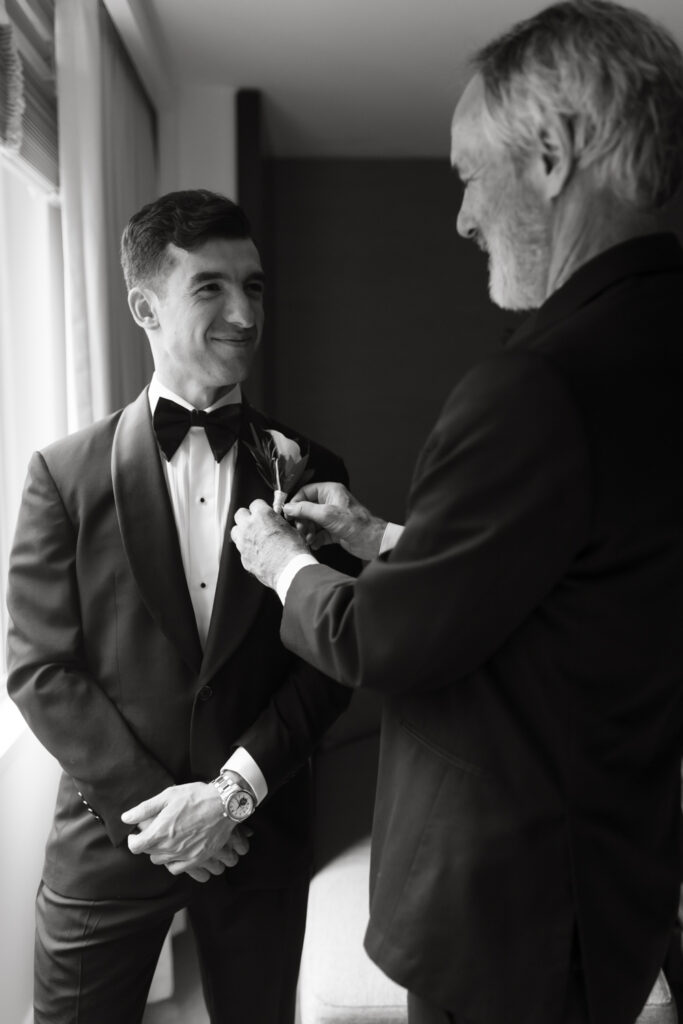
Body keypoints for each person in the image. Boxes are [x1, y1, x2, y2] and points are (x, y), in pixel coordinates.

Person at [230, 3, 683, 1023]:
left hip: (506, 918)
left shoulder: (538, 386)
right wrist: (378, 536)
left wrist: (273, 557)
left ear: (551, 155)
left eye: (466, 174)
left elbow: (382, 639)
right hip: (610, 886)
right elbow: (567, 577)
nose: (461, 217)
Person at [6, 189, 357, 1024]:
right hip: (111, 834)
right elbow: (39, 667)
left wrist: (227, 795)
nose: (244, 311)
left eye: (255, 287)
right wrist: (166, 816)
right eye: (211, 288)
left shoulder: (313, 471)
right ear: (144, 306)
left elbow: (332, 658)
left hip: (255, 827)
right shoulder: (62, 473)